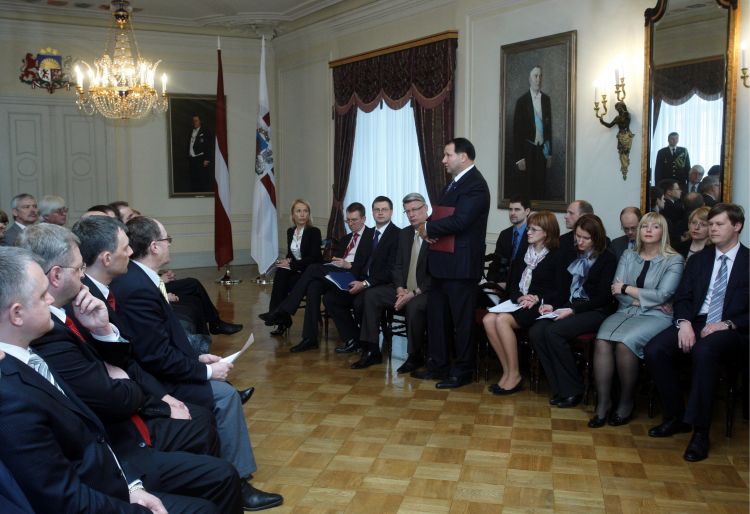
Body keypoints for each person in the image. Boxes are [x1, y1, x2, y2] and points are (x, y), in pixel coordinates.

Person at [18, 224, 243, 513]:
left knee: (206, 437)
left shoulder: (73, 311)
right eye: (79, 268)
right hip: (116, 445)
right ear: (57, 275)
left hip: (122, 426)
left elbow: (124, 365)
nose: (83, 275)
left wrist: (104, 333)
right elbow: (115, 394)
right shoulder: (50, 333)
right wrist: (137, 388)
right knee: (218, 469)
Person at [109, 216, 283, 511]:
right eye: (167, 240)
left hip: (158, 371)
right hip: (156, 382)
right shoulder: (138, 287)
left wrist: (198, 358)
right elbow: (155, 356)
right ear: (154, 246)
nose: (170, 245)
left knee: (223, 390)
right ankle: (237, 483)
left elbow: (160, 343)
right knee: (226, 396)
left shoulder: (141, 279)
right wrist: (206, 371)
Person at [0, 246, 164, 513]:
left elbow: (90, 431)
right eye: (42, 296)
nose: (50, 300)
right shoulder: (10, 395)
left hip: (115, 472)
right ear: (17, 314)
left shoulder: (26, 353)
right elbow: (63, 498)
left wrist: (132, 485)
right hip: (102, 493)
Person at [645, 203, 748, 462]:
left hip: (733, 329)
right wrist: (684, 323)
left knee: (705, 350)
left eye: (719, 224)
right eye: (711, 224)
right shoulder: (699, 260)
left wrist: (728, 324)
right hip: (697, 321)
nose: (712, 229)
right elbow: (683, 297)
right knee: (655, 349)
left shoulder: (748, 262)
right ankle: (676, 416)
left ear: (737, 226)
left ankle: (700, 432)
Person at [589, 212, 684, 428]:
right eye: (644, 226)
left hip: (657, 316)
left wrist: (627, 288)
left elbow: (664, 294)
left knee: (625, 343)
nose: (648, 230)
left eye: (655, 226)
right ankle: (603, 403)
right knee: (602, 340)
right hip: (625, 310)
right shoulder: (628, 255)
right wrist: (637, 297)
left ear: (663, 232)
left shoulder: (674, 259)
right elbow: (616, 290)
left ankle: (626, 402)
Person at [413, 138, 490, 389]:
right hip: (442, 263)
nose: (443, 160)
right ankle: (438, 365)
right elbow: (441, 214)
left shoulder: (476, 185)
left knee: (461, 322)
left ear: (463, 156)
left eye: (448, 155)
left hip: (461, 266)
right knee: (437, 319)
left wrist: (427, 227)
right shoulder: (453, 183)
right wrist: (429, 227)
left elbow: (461, 221)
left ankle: (463, 370)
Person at [530, 214, 617, 407]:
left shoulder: (608, 259)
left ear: (597, 238)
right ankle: (558, 387)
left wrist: (572, 310)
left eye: (586, 238)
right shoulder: (570, 254)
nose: (580, 241)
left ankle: (573, 390)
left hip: (595, 310)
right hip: (570, 306)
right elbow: (562, 288)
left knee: (554, 332)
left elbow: (603, 298)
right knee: (537, 331)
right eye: (578, 236)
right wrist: (553, 306)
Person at [262, 202, 373, 353]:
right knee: (313, 285)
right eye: (348, 220)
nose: (350, 223)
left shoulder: (371, 236)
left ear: (363, 219)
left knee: (313, 268)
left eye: (354, 220)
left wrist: (349, 265)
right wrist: (336, 262)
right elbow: (336, 259)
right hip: (338, 274)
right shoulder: (346, 238)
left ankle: (285, 308)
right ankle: (310, 338)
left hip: (354, 276)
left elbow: (369, 264)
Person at [482, 210, 560, 395]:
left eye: (533, 229)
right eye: (529, 229)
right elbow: (513, 284)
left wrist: (535, 298)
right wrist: (519, 297)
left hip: (539, 305)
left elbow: (558, 290)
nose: (528, 232)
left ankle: (515, 374)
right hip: (519, 302)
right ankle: (507, 371)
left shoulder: (556, 256)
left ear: (546, 232)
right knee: (488, 320)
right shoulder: (524, 252)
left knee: (501, 320)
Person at [356, 193, 431, 373]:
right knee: (371, 295)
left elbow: (435, 273)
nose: (411, 214)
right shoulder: (404, 234)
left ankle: (414, 356)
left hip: (424, 291)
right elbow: (397, 266)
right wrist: (399, 289)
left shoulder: (435, 233)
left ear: (426, 209)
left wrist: (412, 293)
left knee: (413, 306)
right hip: (402, 289)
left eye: (415, 209)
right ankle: (372, 350)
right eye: (408, 211)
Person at [326, 196, 400, 368]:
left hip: (380, 284)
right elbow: (359, 263)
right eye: (377, 209)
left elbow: (390, 271)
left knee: (362, 301)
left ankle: (371, 350)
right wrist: (349, 278)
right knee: (331, 298)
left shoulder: (397, 234)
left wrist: (365, 284)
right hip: (360, 280)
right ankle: (354, 338)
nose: (380, 213)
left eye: (384, 209)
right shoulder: (368, 234)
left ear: (391, 212)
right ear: (372, 213)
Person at [264, 199, 322, 335]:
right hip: (297, 271)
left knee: (282, 278)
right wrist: (286, 261)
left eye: (305, 211)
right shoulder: (290, 231)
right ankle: (279, 317)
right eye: (298, 211)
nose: (302, 214)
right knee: (281, 272)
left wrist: (291, 264)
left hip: (310, 272)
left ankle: (278, 317)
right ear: (293, 215)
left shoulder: (314, 231)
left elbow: (314, 258)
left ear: (309, 214)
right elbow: (291, 254)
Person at [513, 65, 552, 199]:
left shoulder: (546, 100)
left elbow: (548, 128)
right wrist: (519, 158)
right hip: (527, 150)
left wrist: (549, 154)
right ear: (529, 79)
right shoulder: (522, 101)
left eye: (540, 76)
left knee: (541, 186)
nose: (538, 79)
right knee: (527, 188)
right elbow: (516, 132)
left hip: (542, 151)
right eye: (535, 76)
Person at [485, 196, 530, 294]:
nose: (512, 213)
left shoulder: (533, 234)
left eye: (517, 209)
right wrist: (491, 282)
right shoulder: (504, 234)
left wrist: (508, 285)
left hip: (523, 288)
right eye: (510, 209)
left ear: (527, 211)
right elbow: (496, 261)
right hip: (500, 285)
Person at [598, 101, 633, 176]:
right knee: (621, 151)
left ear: (623, 108)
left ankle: (625, 167)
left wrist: (623, 112)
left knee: (625, 151)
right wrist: (603, 122)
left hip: (626, 135)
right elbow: (610, 125)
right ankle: (624, 168)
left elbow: (625, 121)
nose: (618, 110)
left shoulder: (627, 115)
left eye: (619, 108)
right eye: (617, 109)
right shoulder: (617, 117)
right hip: (620, 136)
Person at [560, 200, 594, 267]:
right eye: (567, 212)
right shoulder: (561, 240)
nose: (565, 216)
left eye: (571, 213)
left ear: (584, 216)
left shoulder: (603, 243)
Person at [188, 115, 213, 192]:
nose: (194, 122)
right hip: (192, 159)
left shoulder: (205, 131)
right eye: (193, 121)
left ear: (200, 121)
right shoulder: (190, 131)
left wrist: (207, 159)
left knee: (202, 180)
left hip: (201, 159)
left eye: (196, 120)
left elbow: (208, 145)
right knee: (194, 180)